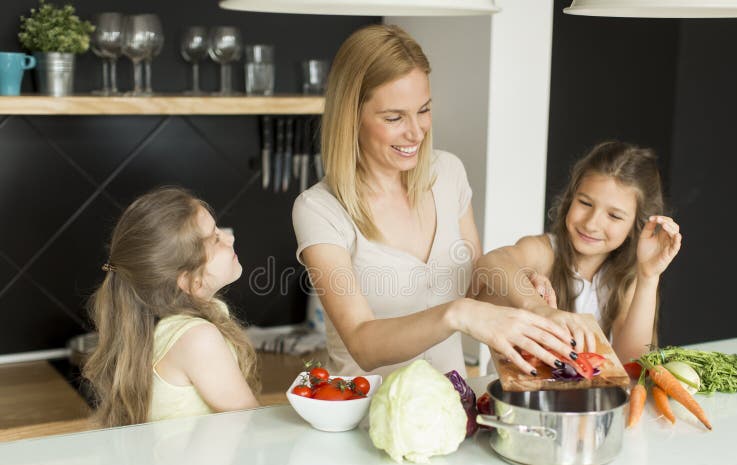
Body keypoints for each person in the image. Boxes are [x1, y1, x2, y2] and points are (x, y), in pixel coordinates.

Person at [292, 24, 575, 379]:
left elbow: (476, 296)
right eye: (394, 117)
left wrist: (516, 288)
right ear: (352, 117)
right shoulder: (319, 209)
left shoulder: (447, 173)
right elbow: (363, 344)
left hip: (453, 402)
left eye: (423, 110)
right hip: (368, 406)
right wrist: (456, 313)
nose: (416, 132)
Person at [475, 141, 682, 362]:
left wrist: (648, 277)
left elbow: (631, 362)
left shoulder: (627, 278)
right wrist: (539, 308)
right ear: (571, 198)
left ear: (636, 226)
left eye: (614, 216)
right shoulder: (544, 252)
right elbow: (492, 261)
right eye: (585, 203)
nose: (591, 223)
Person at [83, 187, 260, 427]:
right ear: (189, 281)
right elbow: (249, 423)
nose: (230, 239)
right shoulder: (198, 339)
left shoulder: (164, 328)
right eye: (216, 239)